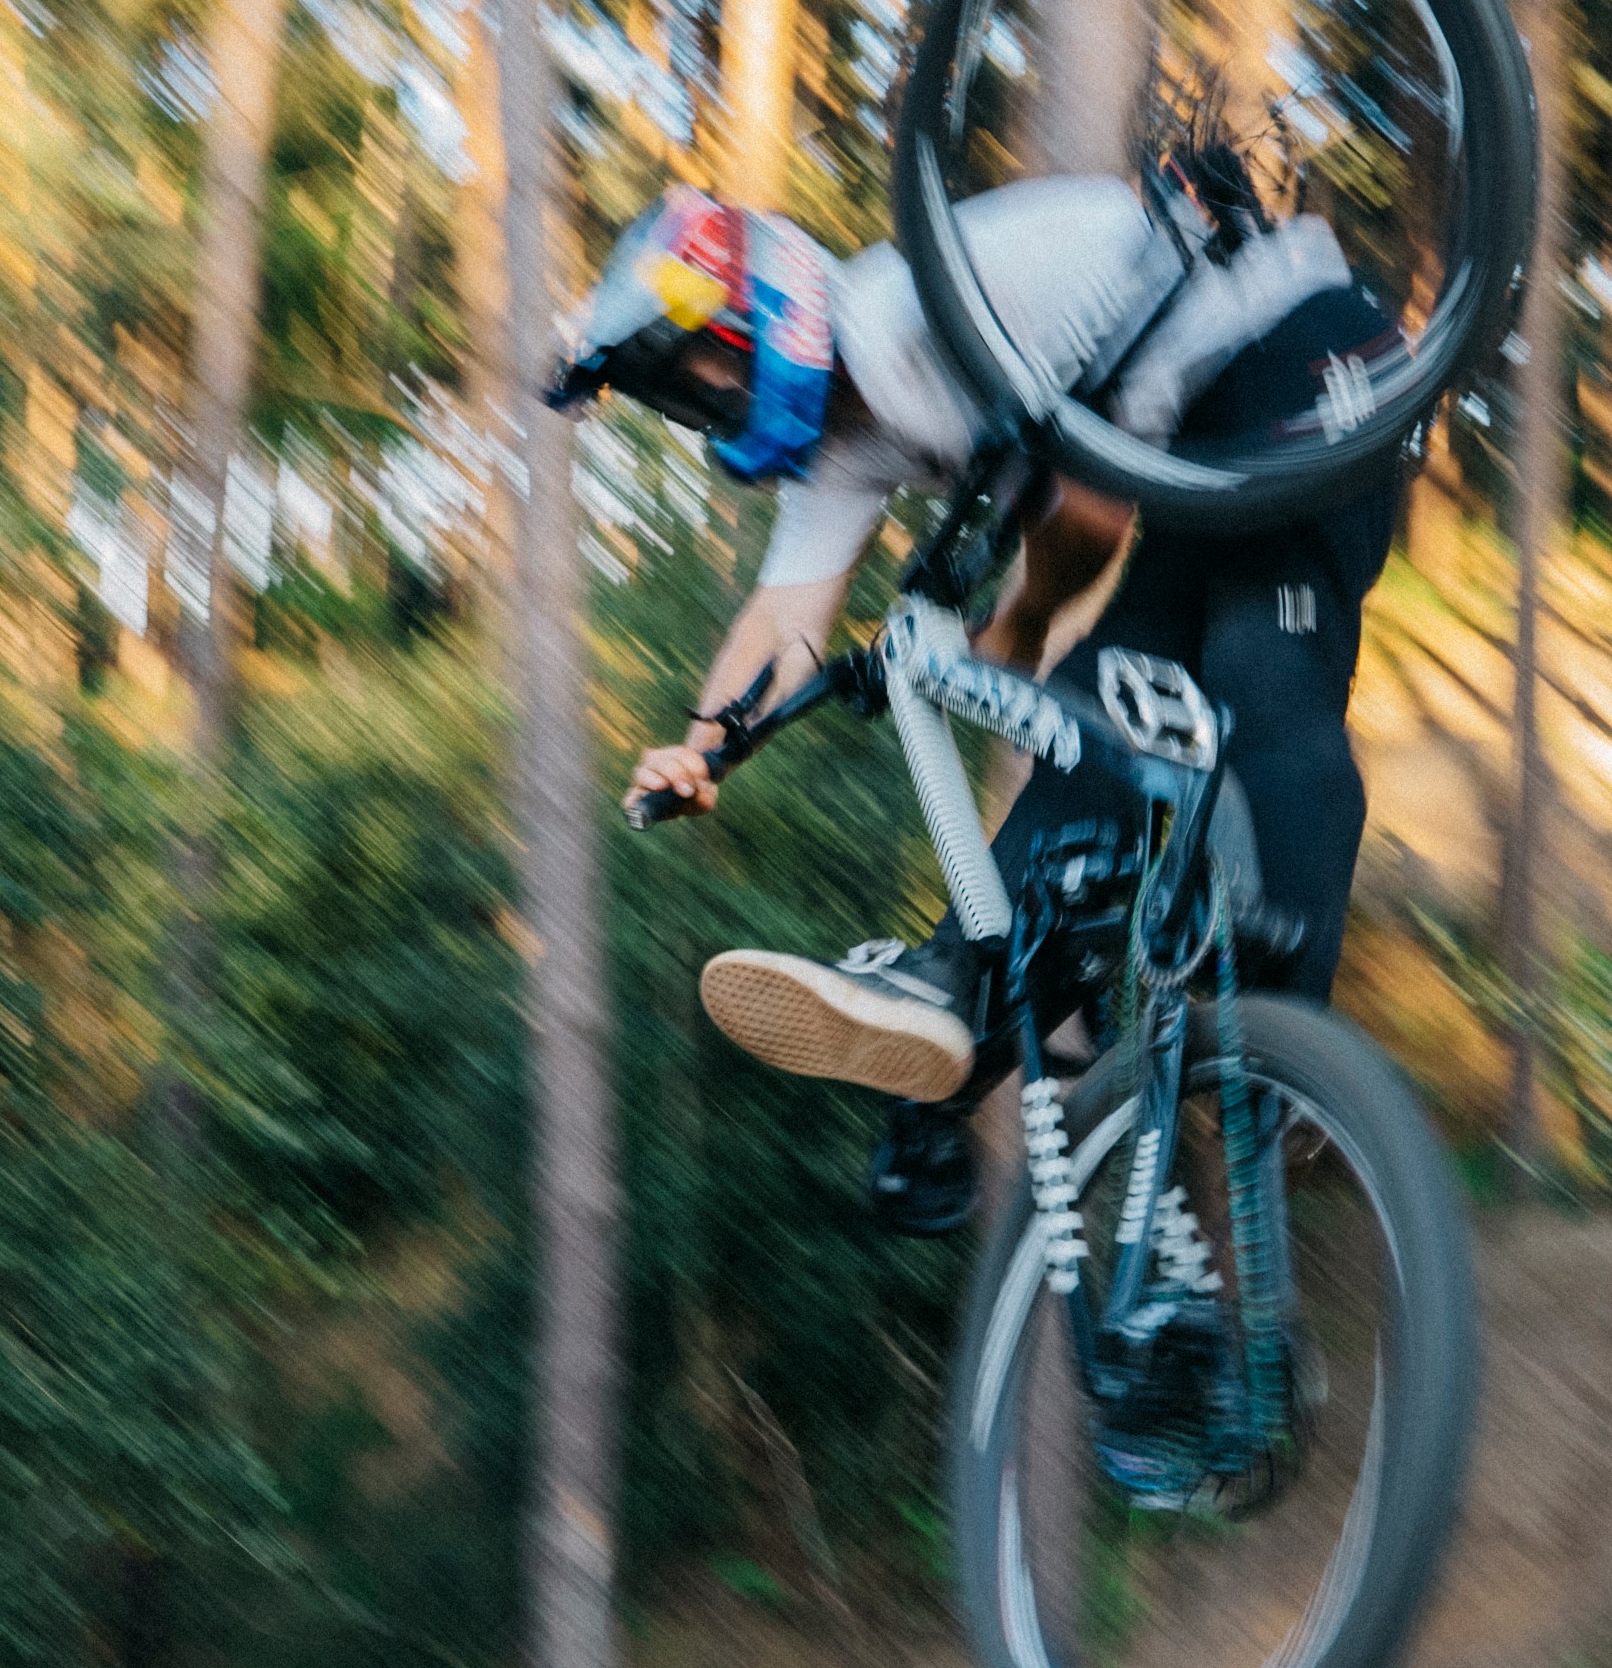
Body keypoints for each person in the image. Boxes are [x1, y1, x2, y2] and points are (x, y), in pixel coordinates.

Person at [546, 87, 1403, 1232]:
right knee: (1095, 714)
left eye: (704, 376)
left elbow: (1089, 512)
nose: (709, 410)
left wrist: (1021, 620)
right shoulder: (843, 439)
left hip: (1296, 354)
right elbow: (783, 621)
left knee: (1260, 668)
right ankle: (955, 1016)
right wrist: (704, 747)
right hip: (1197, 445)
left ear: (760, 318)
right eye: (688, 400)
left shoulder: (907, 318)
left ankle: (1293, 1050)